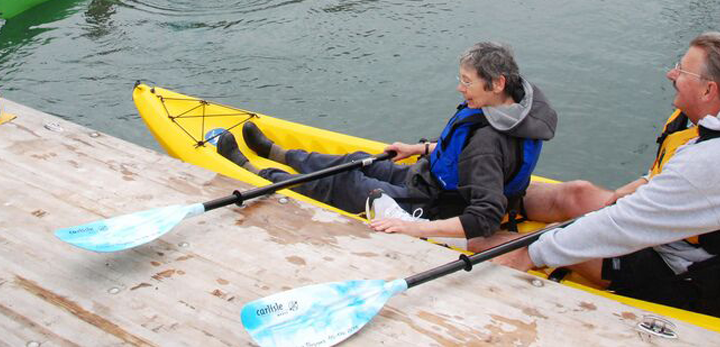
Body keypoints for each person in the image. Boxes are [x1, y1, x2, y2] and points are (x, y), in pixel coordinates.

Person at [490, 32, 720, 321]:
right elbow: (688, 180)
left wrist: (533, 252)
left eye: (682, 71)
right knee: (578, 193)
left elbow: (623, 226)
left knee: (549, 239)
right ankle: (484, 197)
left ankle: (469, 238)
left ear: (708, 90)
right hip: (683, 240)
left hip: (694, 281)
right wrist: (646, 182)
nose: (671, 75)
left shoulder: (718, 161)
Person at [216, 42, 557, 242]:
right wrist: (419, 149)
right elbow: (462, 151)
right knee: (359, 158)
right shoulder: (514, 105)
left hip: (435, 205)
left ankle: (256, 173)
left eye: (467, 82)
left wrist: (416, 229)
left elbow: (484, 217)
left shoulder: (489, 145)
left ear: (497, 83)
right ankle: (279, 152)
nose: (460, 88)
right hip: (427, 177)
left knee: (344, 182)